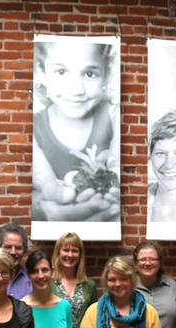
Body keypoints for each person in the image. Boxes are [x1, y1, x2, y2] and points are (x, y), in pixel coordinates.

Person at [32, 40, 120, 222]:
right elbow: (51, 193)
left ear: (106, 75)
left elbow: (118, 173)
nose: (76, 90)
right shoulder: (32, 129)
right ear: (41, 73)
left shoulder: (114, 117)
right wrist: (55, 201)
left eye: (90, 74)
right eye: (61, 72)